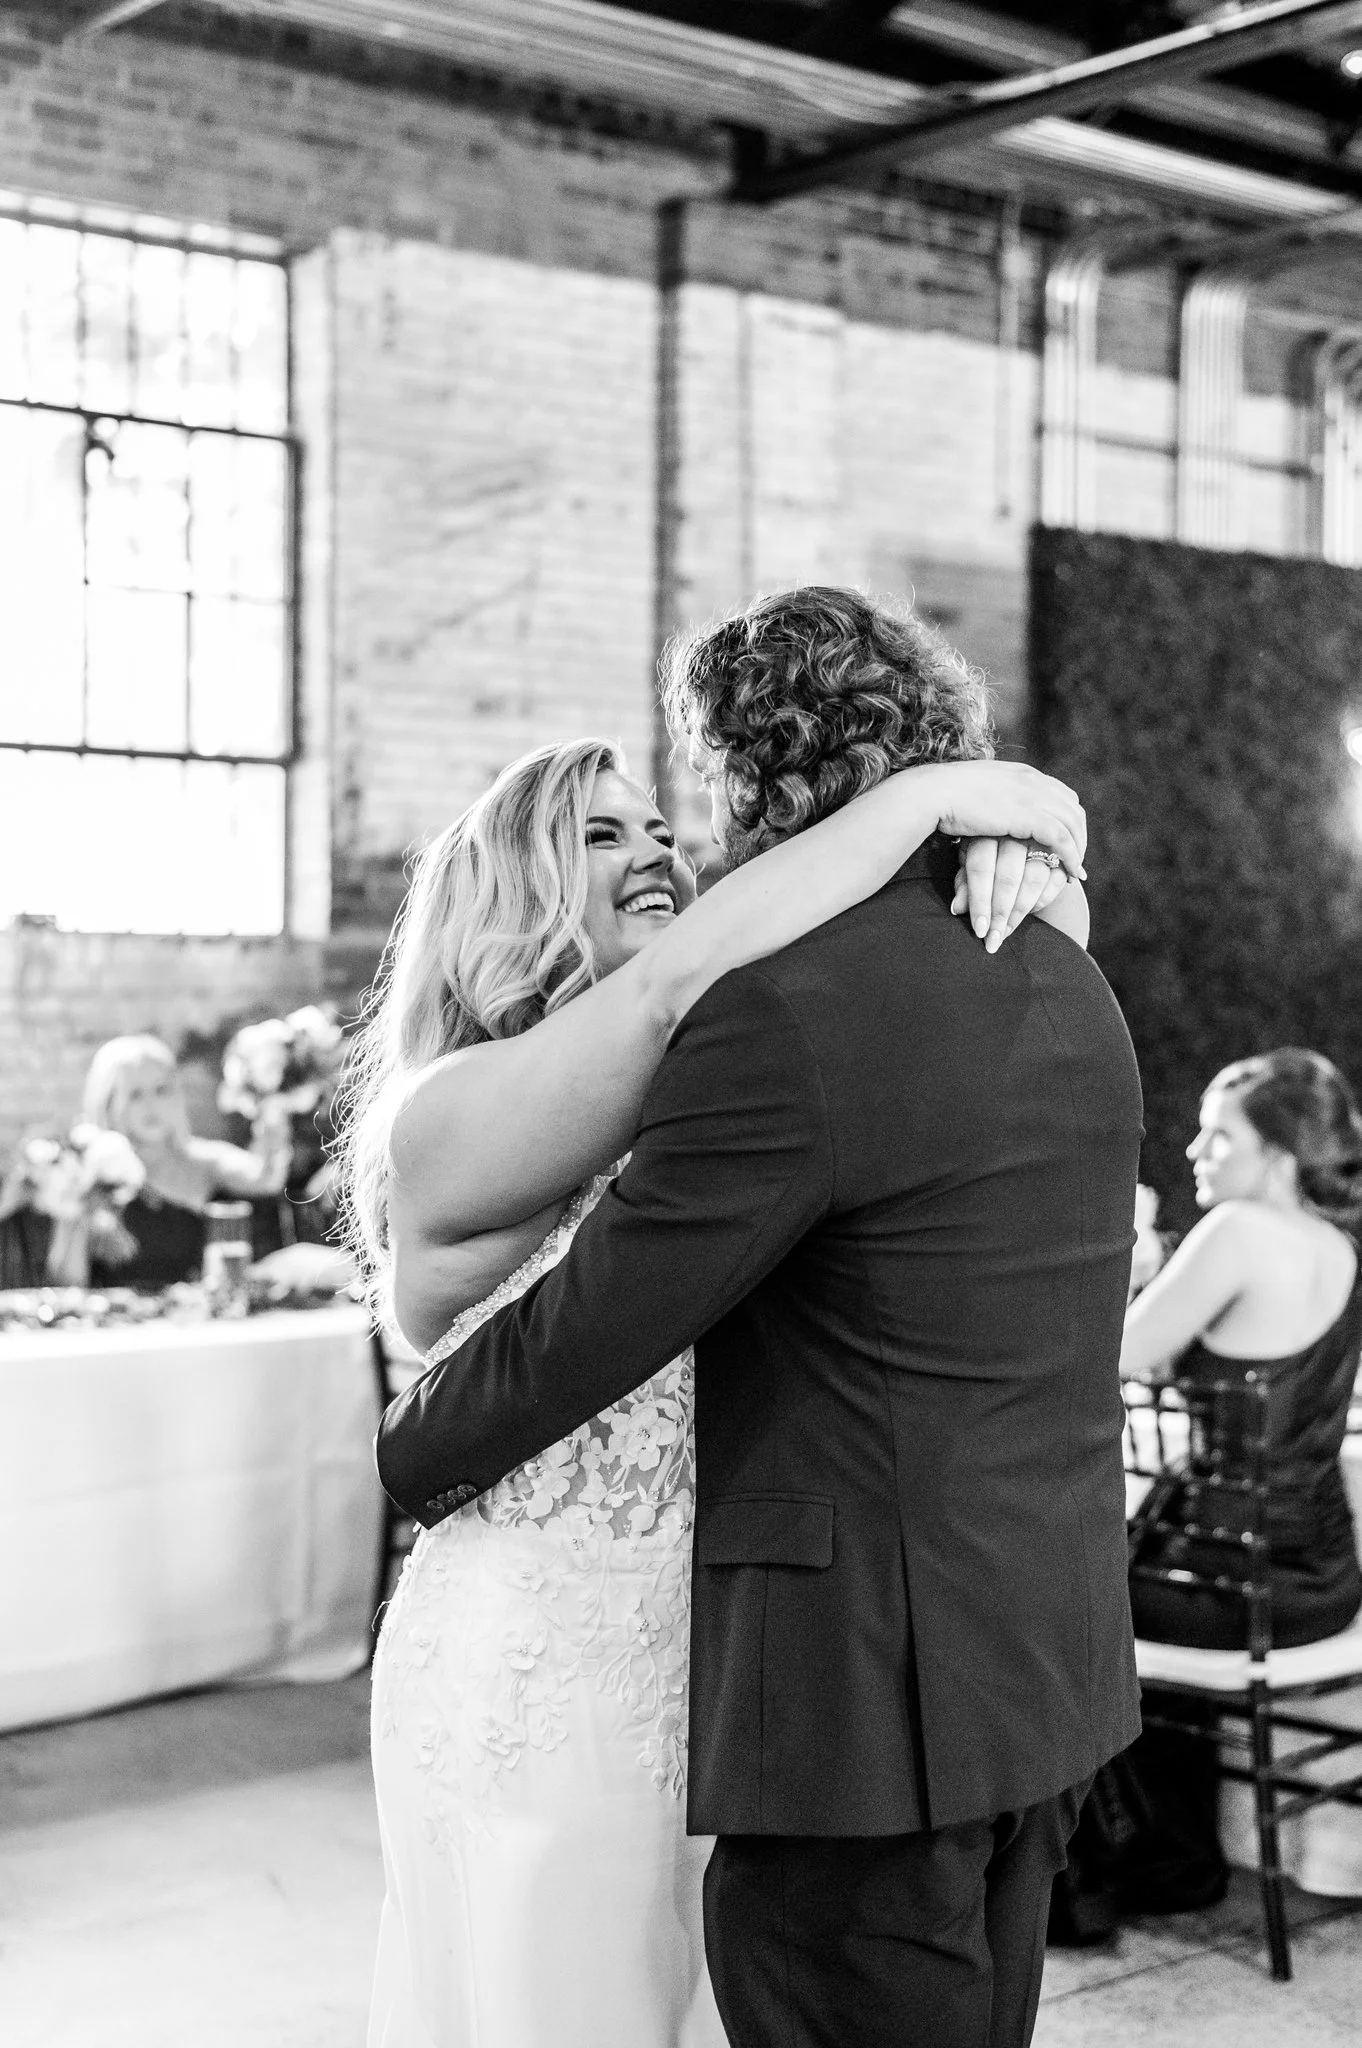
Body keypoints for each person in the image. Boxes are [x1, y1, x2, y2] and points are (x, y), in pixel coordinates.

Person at [370, 585, 1144, 2048]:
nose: (670, 844)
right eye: (608, 832)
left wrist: (408, 1454)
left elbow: (606, 1312)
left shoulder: (781, 1007)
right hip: (1024, 1662)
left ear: (738, 773)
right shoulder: (1061, 967)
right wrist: (1019, 812)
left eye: (671, 809)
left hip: (862, 1704)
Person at [1057, 1048, 1362, 1930]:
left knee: (1054, 1599)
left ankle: (1102, 1873)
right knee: (1111, 1582)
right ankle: (1171, 1854)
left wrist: (1124, 1257)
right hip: (1322, 1582)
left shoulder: (1236, 1233)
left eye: (1217, 1135)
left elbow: (1108, 1355)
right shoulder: (1336, 1245)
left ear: (1276, 1154)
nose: (1195, 1150)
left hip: (1233, 1583)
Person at [80, 1034, 292, 1289]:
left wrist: (273, 1119)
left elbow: (264, 1179)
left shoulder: (204, 1160)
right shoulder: (86, 1171)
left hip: (191, 1315)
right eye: (135, 1095)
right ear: (109, 1101)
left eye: (161, 1090)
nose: (151, 1105)